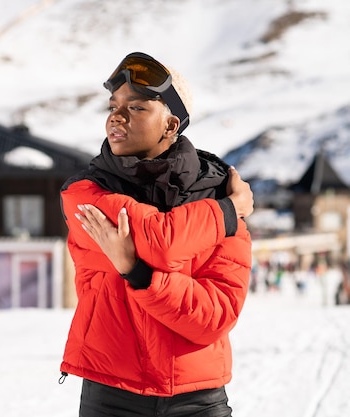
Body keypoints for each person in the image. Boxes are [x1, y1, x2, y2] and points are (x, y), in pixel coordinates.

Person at [58, 52, 253, 417]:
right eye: (114, 106)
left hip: (198, 398)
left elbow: (215, 315)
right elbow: (160, 242)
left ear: (170, 124)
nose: (116, 116)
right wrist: (227, 212)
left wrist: (138, 273)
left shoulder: (216, 192)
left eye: (136, 108)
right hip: (110, 394)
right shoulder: (85, 194)